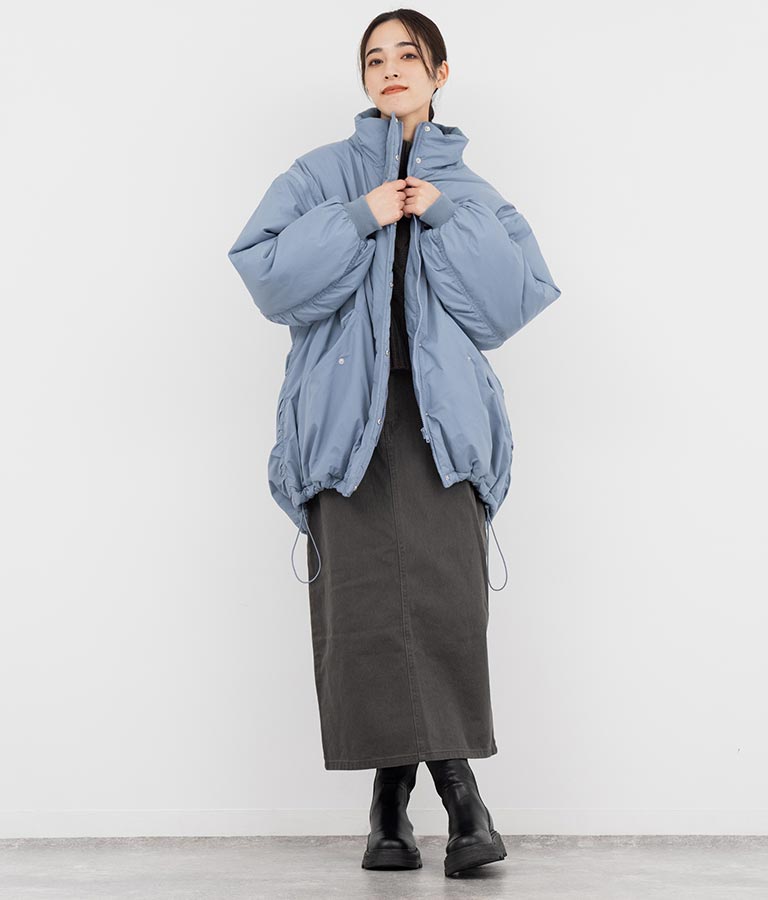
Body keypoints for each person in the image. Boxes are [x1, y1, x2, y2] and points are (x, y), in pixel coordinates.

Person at [228, 9, 561, 879]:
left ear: (440, 73)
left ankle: (415, 806)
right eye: (374, 58)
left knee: (445, 607)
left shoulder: (475, 192)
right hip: (345, 425)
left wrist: (445, 216)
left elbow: (510, 305)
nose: (389, 69)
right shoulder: (319, 176)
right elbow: (266, 276)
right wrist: (359, 217)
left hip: (441, 428)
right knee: (367, 613)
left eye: (407, 55)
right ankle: (437, 804)